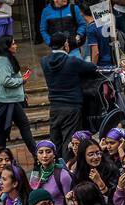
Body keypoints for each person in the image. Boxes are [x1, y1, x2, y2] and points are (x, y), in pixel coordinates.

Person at [42, 30, 98, 159]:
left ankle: (55, 170)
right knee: (69, 142)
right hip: (72, 107)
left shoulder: (44, 61)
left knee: (55, 141)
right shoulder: (72, 61)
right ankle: (67, 173)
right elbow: (92, 67)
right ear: (66, 45)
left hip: (55, 107)